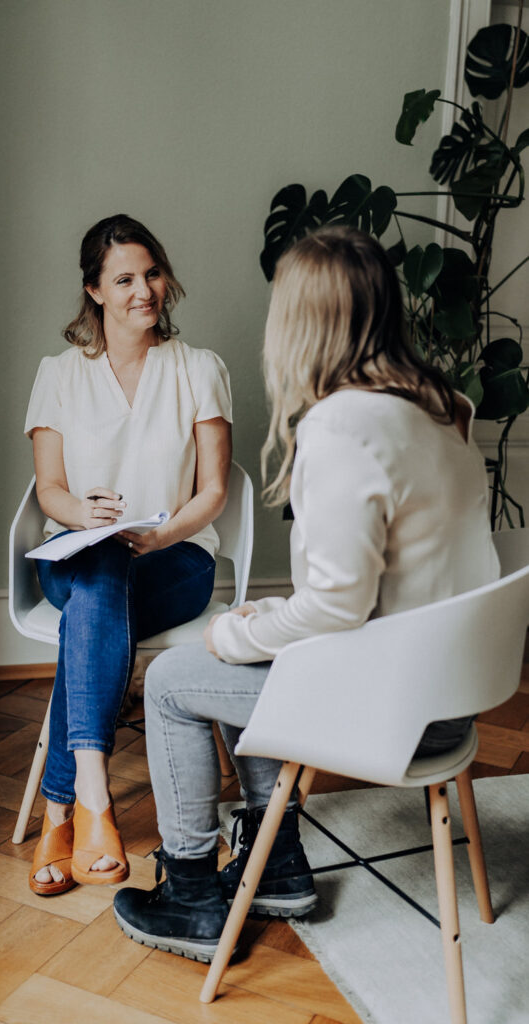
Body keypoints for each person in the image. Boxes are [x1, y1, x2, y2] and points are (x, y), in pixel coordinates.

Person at [113, 225, 500, 961]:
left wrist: (234, 633)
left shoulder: (342, 425)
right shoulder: (442, 407)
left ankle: (191, 889)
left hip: (397, 710)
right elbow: (366, 590)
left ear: (300, 320)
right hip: (453, 693)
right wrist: (266, 621)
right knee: (245, 647)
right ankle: (275, 863)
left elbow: (333, 610)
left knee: (172, 678)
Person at [24, 214, 232, 895]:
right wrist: (82, 514)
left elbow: (212, 494)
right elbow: (50, 489)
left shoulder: (199, 368)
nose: (143, 289)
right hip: (82, 555)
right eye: (123, 279)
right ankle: (88, 797)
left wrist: (164, 534)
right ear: (94, 291)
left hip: (176, 561)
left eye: (150, 273)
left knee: (93, 611)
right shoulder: (58, 373)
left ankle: (68, 807)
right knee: (100, 568)